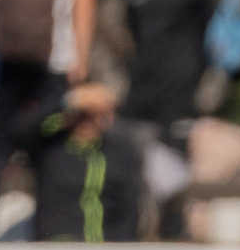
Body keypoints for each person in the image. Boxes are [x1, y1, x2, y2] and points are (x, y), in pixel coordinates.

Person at [0, 0, 97, 232]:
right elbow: (84, 1)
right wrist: (82, 59)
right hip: (56, 67)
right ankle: (48, 230)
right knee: (48, 145)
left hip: (10, 66)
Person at [11, 80, 142, 241]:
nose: (85, 120)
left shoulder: (118, 150)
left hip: (106, 248)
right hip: (59, 244)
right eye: (80, 114)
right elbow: (20, 130)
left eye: (92, 113)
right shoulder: (50, 147)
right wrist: (68, 101)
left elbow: (128, 209)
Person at [121, 0, 214, 140]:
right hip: (139, 89)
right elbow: (127, 32)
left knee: (176, 158)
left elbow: (210, 36)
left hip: (180, 93)